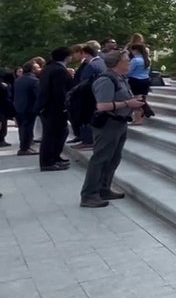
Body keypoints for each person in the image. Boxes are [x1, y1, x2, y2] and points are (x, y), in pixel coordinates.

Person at [80, 50, 141, 208]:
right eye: (127, 60)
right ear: (118, 63)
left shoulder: (120, 79)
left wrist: (135, 103)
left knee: (113, 158)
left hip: (119, 122)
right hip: (108, 123)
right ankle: (89, 194)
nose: (129, 63)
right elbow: (102, 106)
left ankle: (103, 188)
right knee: (100, 159)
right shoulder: (106, 80)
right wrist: (128, 104)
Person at [36, 47, 73, 172]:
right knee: (52, 135)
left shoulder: (49, 68)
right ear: (67, 57)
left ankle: (55, 157)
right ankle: (48, 161)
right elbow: (59, 91)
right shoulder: (59, 70)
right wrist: (64, 106)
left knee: (59, 133)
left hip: (47, 107)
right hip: (54, 108)